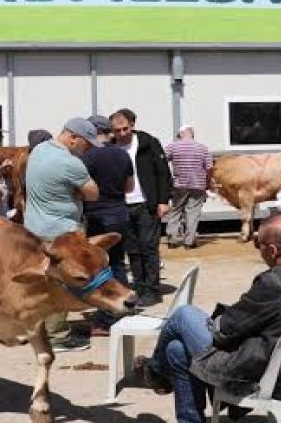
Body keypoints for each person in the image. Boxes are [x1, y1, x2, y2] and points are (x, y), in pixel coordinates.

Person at [135, 215, 281, 423]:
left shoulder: (275, 283)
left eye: (258, 244)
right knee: (177, 350)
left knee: (184, 315)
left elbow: (223, 331)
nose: (258, 250)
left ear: (273, 250)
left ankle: (155, 372)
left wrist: (222, 321)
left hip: (261, 379)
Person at [24, 118, 100, 352]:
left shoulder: (39, 150)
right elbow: (93, 193)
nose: (86, 149)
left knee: (40, 282)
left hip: (35, 227)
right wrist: (76, 191)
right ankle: (57, 337)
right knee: (62, 283)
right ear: (73, 138)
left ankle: (38, 332)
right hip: (61, 231)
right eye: (86, 144)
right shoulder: (70, 163)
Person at [110, 108, 173, 307]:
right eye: (117, 130)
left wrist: (163, 200)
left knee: (149, 248)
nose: (121, 134)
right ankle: (140, 286)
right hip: (123, 205)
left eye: (125, 129)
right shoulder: (111, 148)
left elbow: (163, 172)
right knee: (132, 250)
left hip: (147, 203)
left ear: (133, 125)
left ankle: (153, 290)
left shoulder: (148, 143)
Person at [80, 115, 134, 336]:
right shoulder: (122, 154)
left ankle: (104, 320)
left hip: (98, 217)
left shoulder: (87, 157)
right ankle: (122, 311)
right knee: (119, 264)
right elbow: (129, 187)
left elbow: (82, 189)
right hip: (121, 213)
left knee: (101, 270)